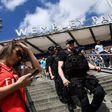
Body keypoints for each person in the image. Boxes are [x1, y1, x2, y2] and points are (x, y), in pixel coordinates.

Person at [58, 39, 105, 112]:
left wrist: (95, 67)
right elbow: (60, 67)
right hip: (74, 78)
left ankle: (92, 109)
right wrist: (63, 79)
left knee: (100, 92)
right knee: (84, 99)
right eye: (69, 44)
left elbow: (86, 64)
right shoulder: (63, 54)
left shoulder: (79, 52)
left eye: (72, 43)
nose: (71, 45)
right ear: (66, 45)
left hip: (85, 75)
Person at [0, 41, 42, 112]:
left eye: (21, 56)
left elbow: (38, 70)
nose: (19, 58)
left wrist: (28, 50)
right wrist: (18, 85)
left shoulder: (15, 69)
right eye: (18, 53)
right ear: (9, 49)